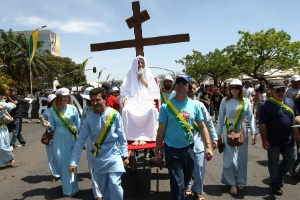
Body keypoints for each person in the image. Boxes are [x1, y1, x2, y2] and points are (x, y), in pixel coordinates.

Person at [154, 74, 213, 200]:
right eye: (178, 82)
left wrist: (209, 146)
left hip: (189, 149)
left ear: (188, 87)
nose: (181, 85)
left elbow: (202, 127)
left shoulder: (195, 105)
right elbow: (161, 131)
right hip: (172, 150)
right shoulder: (166, 107)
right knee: (177, 183)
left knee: (185, 180)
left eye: (184, 83)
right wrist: (157, 151)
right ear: (175, 87)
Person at [69, 87, 128, 200]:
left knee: (115, 185)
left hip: (113, 153)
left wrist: (125, 154)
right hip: (97, 154)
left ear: (105, 99)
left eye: (98, 99)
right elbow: (80, 141)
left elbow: (122, 136)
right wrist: (73, 162)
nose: (95, 103)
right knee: (104, 189)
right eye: (92, 100)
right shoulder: (89, 119)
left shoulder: (114, 115)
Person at [216, 79, 258, 195]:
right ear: (229, 89)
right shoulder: (225, 101)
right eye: (232, 87)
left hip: (242, 130)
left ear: (241, 88)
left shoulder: (246, 101)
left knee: (242, 158)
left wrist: (254, 133)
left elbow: (251, 117)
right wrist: (218, 135)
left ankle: (240, 181)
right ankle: (231, 182)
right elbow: (220, 117)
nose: (234, 90)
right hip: (228, 130)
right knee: (229, 159)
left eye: (237, 87)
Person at [259, 82, 300, 195]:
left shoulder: (290, 102)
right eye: (277, 90)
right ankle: (276, 183)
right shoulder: (265, 105)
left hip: (289, 138)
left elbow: (296, 114)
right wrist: (264, 140)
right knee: (273, 162)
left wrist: (298, 119)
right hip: (273, 140)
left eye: (282, 89)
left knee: (291, 159)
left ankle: (277, 176)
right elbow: (262, 124)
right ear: (271, 91)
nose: (280, 92)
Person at [44, 87, 80, 197]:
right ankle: (67, 187)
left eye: (67, 96)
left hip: (70, 138)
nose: (65, 98)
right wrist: (48, 126)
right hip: (58, 138)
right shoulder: (53, 110)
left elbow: (78, 124)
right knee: (60, 163)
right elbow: (53, 126)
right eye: (63, 97)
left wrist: (78, 139)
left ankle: (72, 188)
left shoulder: (73, 108)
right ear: (59, 98)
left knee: (70, 163)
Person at [185, 81, 218, 200]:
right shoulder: (179, 104)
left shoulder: (200, 105)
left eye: (193, 89)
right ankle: (188, 186)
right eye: (189, 88)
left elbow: (208, 122)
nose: (191, 90)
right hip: (183, 142)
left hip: (198, 140)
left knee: (199, 166)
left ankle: (198, 190)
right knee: (187, 166)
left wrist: (214, 138)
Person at [120, 55, 160, 145]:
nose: (140, 65)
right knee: (126, 110)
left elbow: (154, 90)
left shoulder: (148, 73)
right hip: (133, 100)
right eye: (138, 63)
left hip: (146, 100)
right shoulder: (130, 74)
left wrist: (143, 80)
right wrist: (125, 97)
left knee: (152, 110)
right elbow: (124, 90)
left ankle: (146, 137)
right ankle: (132, 137)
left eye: (142, 63)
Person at [80, 87, 103, 200]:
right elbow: (82, 126)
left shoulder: (102, 109)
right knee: (94, 165)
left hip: (100, 141)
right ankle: (98, 193)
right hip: (92, 141)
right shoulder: (86, 110)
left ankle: (101, 190)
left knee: (99, 165)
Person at [40, 94, 60, 182]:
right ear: (51, 101)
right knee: (51, 155)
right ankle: (55, 174)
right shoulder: (47, 111)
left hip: (61, 135)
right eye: (54, 100)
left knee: (60, 154)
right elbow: (43, 122)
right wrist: (44, 123)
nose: (56, 101)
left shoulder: (62, 109)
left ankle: (63, 172)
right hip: (51, 135)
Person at [0, 102, 16, 168]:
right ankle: (4, 161)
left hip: (3, 130)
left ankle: (10, 157)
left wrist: (2, 106)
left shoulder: (2, 104)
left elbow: (13, 105)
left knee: (3, 146)